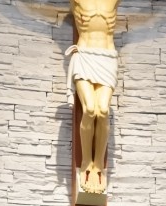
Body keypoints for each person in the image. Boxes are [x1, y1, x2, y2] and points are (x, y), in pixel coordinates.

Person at [67, 0, 120, 193]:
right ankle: (86, 162)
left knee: (103, 110)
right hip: (84, 56)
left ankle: (98, 165)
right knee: (90, 109)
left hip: (107, 57)